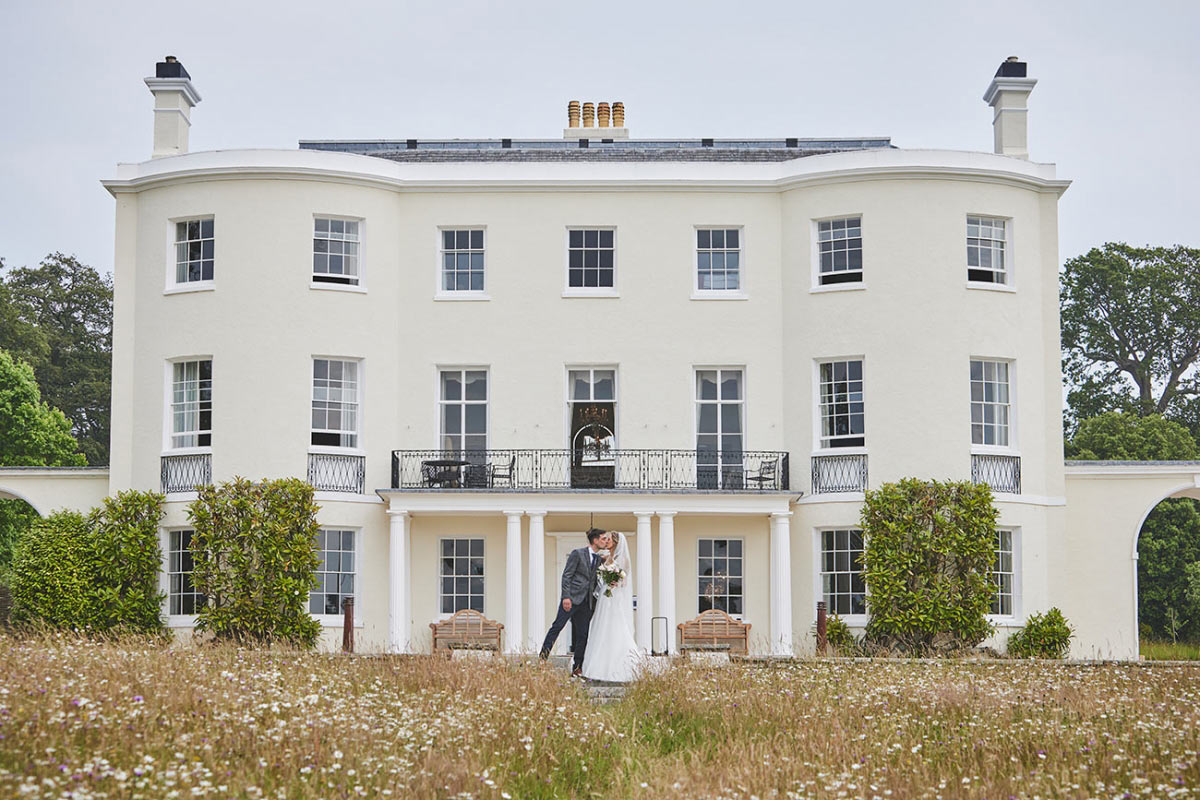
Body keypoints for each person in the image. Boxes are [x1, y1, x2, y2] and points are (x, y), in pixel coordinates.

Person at [540, 528, 611, 676]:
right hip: (571, 599)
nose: (605, 541)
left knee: (583, 634)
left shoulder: (598, 559)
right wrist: (566, 597)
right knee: (557, 627)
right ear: (595, 540)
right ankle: (542, 659)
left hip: (587, 602)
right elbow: (567, 575)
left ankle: (577, 667)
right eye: (603, 539)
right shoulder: (577, 553)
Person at [581, 530, 642, 683]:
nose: (606, 542)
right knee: (601, 627)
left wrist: (617, 582)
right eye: (605, 539)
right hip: (604, 596)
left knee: (615, 626)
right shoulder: (606, 558)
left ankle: (625, 665)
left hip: (615, 597)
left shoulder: (623, 559)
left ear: (615, 541)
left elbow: (625, 579)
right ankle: (597, 665)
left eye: (608, 540)